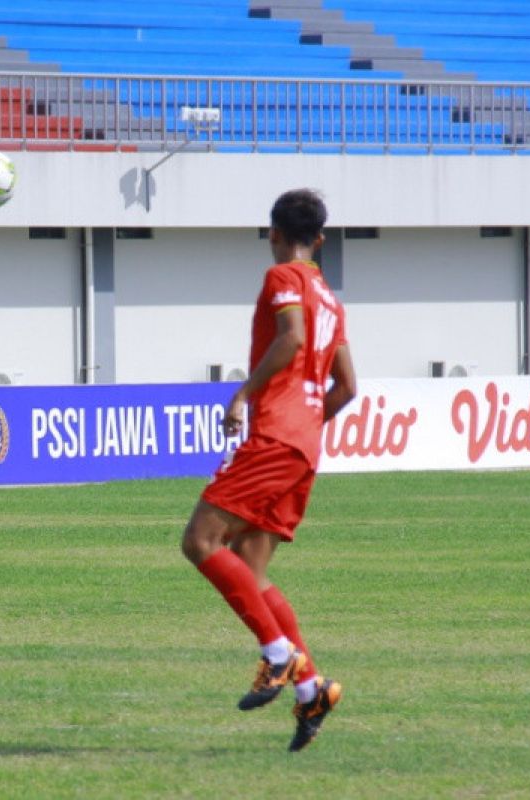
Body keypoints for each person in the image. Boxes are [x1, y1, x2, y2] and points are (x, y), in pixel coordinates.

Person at [180, 189, 357, 752]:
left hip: (275, 432)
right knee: (252, 572)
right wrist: (305, 426)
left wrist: (243, 394)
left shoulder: (284, 277)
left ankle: (278, 655)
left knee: (202, 541)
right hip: (305, 444)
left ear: (274, 233)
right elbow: (348, 388)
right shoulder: (331, 297)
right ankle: (311, 688)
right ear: (321, 239)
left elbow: (291, 338)